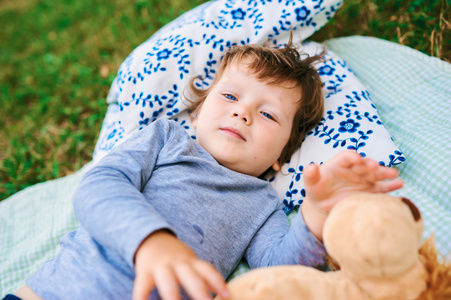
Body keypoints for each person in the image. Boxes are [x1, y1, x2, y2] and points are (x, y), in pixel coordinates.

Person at [11, 39, 403, 300]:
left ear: (280, 157)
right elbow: (98, 186)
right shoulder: (165, 138)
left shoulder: (262, 202)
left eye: (267, 114)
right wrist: (151, 241)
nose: (242, 111)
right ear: (197, 112)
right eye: (230, 95)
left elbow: (277, 269)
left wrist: (315, 214)